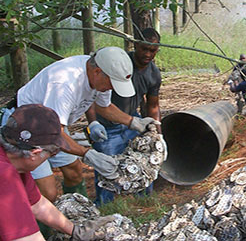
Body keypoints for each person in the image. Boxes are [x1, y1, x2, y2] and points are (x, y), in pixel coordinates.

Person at [10, 46, 159, 203]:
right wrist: (88, 154)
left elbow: (104, 107)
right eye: (112, 83)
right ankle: (39, 225)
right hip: (26, 128)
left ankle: (77, 212)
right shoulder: (65, 83)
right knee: (48, 191)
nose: (112, 88)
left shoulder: (100, 75)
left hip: (53, 126)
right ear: (97, 72)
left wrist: (133, 122)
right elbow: (54, 133)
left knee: (74, 172)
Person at [0, 104, 114, 241]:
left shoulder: (17, 163)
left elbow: (38, 205)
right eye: (53, 152)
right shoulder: (4, 174)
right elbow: (26, 238)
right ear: (35, 153)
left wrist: (76, 231)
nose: (53, 156)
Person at [90, 27, 163, 206]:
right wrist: (93, 123)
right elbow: (91, 97)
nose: (147, 54)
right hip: (107, 124)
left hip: (133, 121)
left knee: (146, 161)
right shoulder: (120, 63)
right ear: (135, 45)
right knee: (106, 168)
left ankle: (144, 202)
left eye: (152, 50)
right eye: (144, 48)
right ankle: (104, 206)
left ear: (157, 50)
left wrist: (158, 134)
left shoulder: (153, 74)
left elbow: (153, 105)